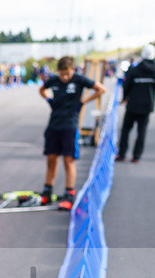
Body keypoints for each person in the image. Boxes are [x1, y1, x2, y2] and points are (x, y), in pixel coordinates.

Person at [38, 56, 106, 210]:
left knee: (68, 160)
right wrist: (49, 100)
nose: (64, 77)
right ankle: (47, 191)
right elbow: (41, 90)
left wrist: (83, 102)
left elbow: (101, 89)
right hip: (54, 123)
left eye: (67, 74)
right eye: (62, 74)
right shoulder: (54, 81)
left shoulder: (79, 80)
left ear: (73, 70)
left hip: (70, 125)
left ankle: (69, 193)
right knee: (51, 159)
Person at [116, 45, 155, 163]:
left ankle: (122, 154)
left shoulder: (134, 70)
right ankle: (136, 157)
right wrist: (150, 86)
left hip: (132, 105)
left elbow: (126, 86)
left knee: (126, 130)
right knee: (141, 132)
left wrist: (124, 98)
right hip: (147, 106)